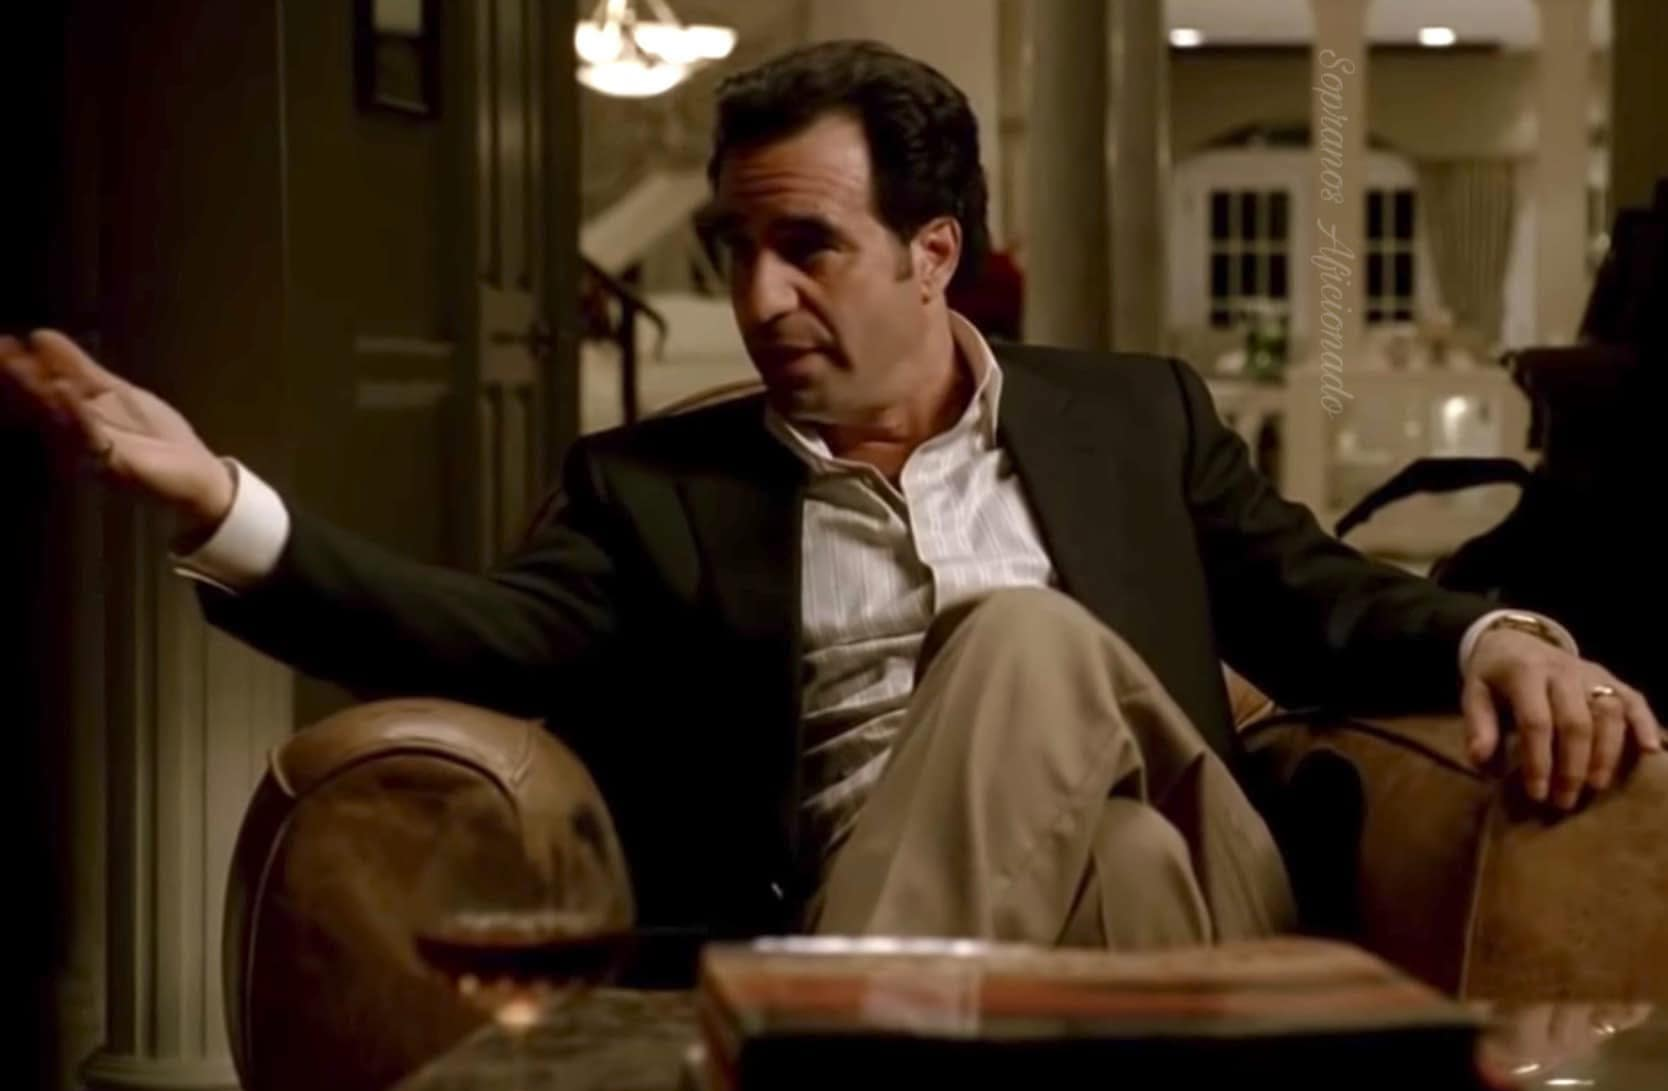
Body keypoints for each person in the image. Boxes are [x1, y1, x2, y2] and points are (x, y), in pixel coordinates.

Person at [3, 41, 1659, 949]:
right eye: (738, 248)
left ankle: (829, 1078)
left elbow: (1321, 598)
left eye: (810, 246)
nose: (760, 297)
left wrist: (1495, 637)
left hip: (1194, 864)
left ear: (933, 254)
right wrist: (218, 498)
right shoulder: (654, 488)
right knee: (1119, 876)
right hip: (978, 916)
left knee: (1021, 639)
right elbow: (474, 635)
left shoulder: (1129, 417)